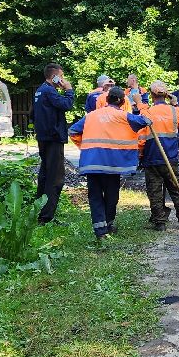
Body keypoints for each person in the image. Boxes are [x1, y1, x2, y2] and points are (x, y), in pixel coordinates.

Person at [68, 86, 150, 247]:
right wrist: (140, 104)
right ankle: (108, 224)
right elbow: (147, 120)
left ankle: (100, 231)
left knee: (95, 196)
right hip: (113, 164)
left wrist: (84, 147)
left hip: (92, 163)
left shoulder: (91, 116)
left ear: (107, 100)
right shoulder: (124, 116)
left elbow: (72, 131)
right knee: (111, 195)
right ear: (121, 101)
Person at [140, 82, 179, 231]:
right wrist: (175, 104)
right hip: (171, 157)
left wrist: (140, 155)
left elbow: (141, 138)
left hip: (152, 157)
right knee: (176, 188)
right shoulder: (174, 111)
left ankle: (160, 222)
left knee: (154, 191)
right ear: (166, 95)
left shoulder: (147, 112)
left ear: (152, 95)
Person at [32, 63, 75, 223]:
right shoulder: (50, 91)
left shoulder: (40, 90)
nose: (63, 80)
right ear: (54, 76)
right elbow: (67, 105)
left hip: (43, 138)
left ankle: (39, 212)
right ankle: (46, 217)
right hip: (53, 139)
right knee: (55, 179)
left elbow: (32, 114)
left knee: (44, 176)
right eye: (61, 76)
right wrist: (69, 90)